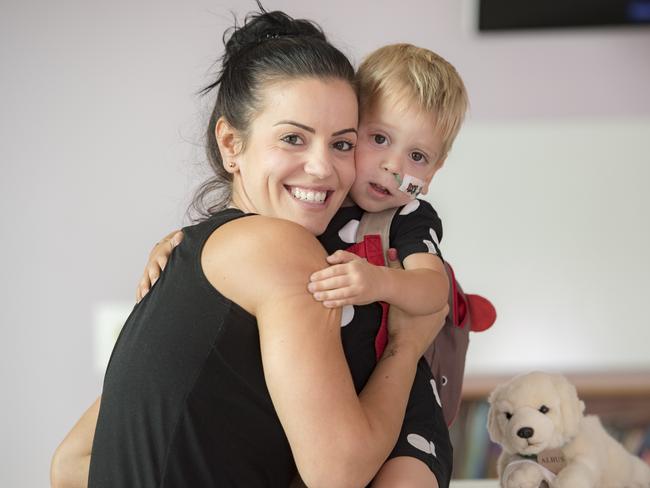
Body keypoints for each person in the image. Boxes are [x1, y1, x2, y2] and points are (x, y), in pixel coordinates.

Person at [50, 8, 446, 488]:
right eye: (293, 138)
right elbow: (339, 472)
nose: (322, 168)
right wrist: (407, 346)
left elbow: (72, 463)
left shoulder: (193, 252)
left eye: (342, 145)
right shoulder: (279, 248)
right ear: (231, 143)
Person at [138, 43, 469, 487]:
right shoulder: (314, 210)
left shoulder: (406, 217)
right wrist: (171, 246)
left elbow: (435, 292)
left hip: (405, 411)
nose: (393, 167)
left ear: (436, 169)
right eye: (377, 140)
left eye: (418, 157)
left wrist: (380, 283)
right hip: (338, 411)